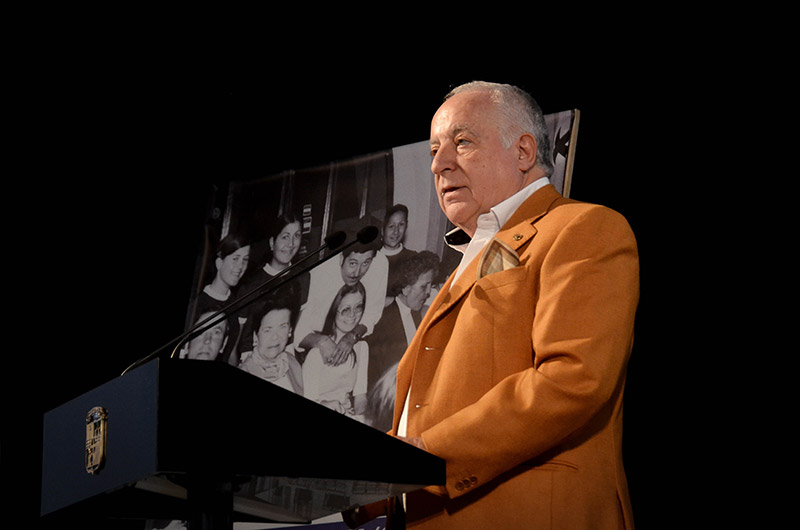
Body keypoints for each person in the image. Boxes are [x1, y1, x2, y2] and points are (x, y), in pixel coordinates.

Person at [345, 82, 640, 529]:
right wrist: (357, 485)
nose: (440, 165)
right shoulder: (469, 256)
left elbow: (572, 379)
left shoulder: (583, 228)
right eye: (433, 151)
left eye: (461, 143)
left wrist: (422, 458)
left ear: (523, 152)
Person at [366, 250, 439, 431]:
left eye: (430, 286)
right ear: (406, 288)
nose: (428, 292)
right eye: (424, 287)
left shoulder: (417, 316)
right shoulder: (385, 322)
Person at [293, 230, 386, 365]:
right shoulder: (319, 273)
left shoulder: (380, 263)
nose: (357, 272)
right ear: (341, 258)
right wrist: (322, 341)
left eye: (366, 263)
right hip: (313, 349)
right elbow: (299, 334)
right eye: (353, 263)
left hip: (352, 343)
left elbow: (372, 313)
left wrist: (351, 336)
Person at [237, 212, 309, 357]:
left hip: (286, 356)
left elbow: (295, 331)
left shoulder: (303, 278)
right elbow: (241, 341)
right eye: (285, 236)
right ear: (272, 243)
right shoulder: (250, 285)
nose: (291, 244)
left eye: (297, 236)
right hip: (253, 357)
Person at [302, 282, 369, 421]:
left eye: (358, 307)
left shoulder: (362, 348)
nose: (352, 315)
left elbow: (360, 396)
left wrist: (361, 417)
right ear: (334, 310)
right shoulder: (317, 352)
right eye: (345, 309)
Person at [193, 233, 250, 364]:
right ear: (219, 263)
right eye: (235, 259)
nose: (240, 267)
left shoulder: (236, 303)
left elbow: (231, 352)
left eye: (245, 260)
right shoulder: (197, 304)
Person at [239, 297, 303, 394]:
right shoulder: (246, 369)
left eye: (282, 327)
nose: (275, 337)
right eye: (268, 330)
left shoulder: (291, 361)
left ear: (290, 331)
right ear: (255, 336)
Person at [379, 204, 417, 305]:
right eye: (391, 226)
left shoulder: (413, 258)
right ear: (383, 229)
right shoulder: (371, 258)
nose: (396, 231)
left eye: (401, 224)